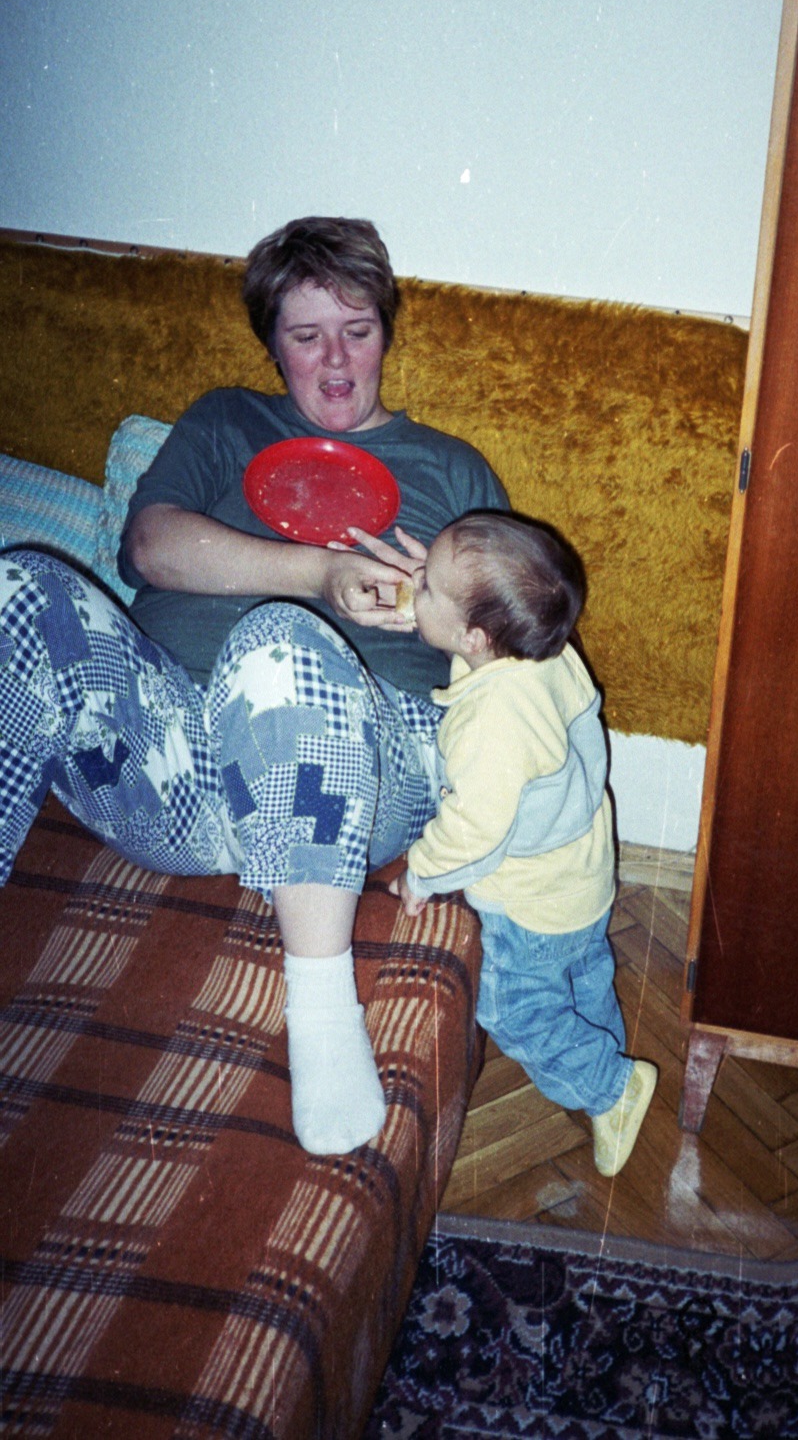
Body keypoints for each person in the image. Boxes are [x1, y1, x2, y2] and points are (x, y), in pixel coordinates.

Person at [0, 216, 507, 1156]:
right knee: (19, 588)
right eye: (306, 335)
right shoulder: (227, 420)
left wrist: (430, 610)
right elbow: (147, 544)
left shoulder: (451, 467)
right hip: (171, 772)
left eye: (356, 330)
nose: (337, 360)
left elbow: (512, 657)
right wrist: (315, 573)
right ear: (272, 344)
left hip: (352, 769)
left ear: (387, 332)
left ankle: (320, 1009)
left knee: (278, 647)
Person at [389, 510, 657, 1177]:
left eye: (425, 586)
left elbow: (474, 830)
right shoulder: (545, 646)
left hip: (529, 900)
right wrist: (443, 590)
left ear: (476, 636)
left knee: (514, 1008)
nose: (413, 584)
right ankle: (606, 1048)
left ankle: (608, 1085)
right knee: (583, 972)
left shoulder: (489, 723)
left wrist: (421, 872)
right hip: (583, 873)